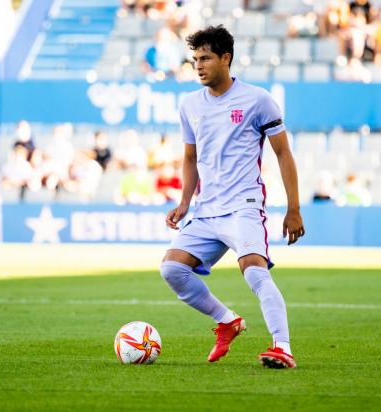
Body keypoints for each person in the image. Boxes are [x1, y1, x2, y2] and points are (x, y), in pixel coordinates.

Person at [160, 25, 305, 369]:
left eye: (206, 58)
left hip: (244, 205)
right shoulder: (190, 105)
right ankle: (227, 321)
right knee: (172, 268)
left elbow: (284, 154)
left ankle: (282, 347)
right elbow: (191, 158)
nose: (198, 65)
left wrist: (294, 209)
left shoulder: (257, 100)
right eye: (195, 59)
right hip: (207, 210)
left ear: (226, 59)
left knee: (254, 271)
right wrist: (184, 203)